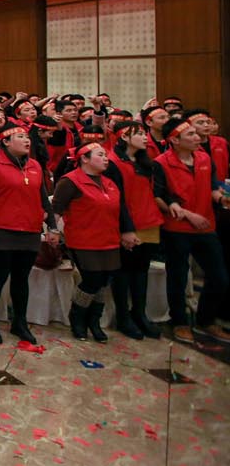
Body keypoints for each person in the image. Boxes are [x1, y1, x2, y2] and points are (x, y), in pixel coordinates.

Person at [0, 125, 58, 345]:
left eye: (27, 137)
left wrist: (52, 226)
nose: (27, 140)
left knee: (21, 279)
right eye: (20, 137)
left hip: (29, 230)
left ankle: (19, 321)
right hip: (2, 229)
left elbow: (43, 198)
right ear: (6, 142)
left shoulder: (35, 165)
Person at [153, 117, 228, 342]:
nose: (197, 138)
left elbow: (212, 187)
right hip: (177, 228)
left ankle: (206, 320)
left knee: (219, 277)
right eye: (191, 135)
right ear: (175, 140)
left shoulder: (204, 158)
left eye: (196, 133)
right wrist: (186, 214)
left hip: (206, 225)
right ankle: (179, 322)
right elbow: (158, 196)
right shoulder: (161, 163)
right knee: (177, 277)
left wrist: (221, 198)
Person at [55, 143, 138, 343]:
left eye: (106, 155)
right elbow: (56, 209)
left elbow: (120, 209)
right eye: (100, 155)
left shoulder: (109, 182)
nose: (105, 158)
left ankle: (94, 321)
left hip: (109, 239)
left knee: (104, 281)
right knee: (92, 279)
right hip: (83, 240)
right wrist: (53, 231)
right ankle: (77, 317)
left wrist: (126, 232)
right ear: (84, 159)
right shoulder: (70, 181)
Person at [106, 122, 164, 339]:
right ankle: (123, 317)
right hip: (127, 224)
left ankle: (139, 313)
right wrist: (126, 229)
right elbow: (117, 199)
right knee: (124, 271)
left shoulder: (145, 162)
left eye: (144, 133)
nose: (145, 137)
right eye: (139, 134)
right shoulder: (113, 162)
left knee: (141, 270)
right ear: (124, 137)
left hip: (149, 221)